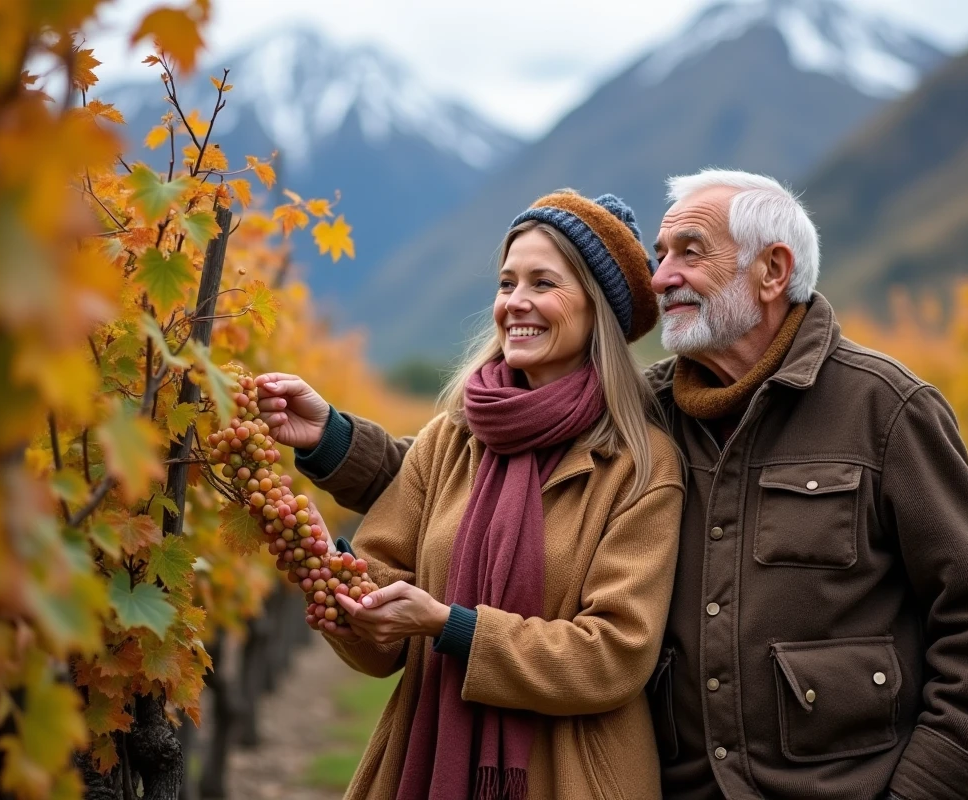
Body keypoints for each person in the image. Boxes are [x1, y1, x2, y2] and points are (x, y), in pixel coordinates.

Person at [268, 169, 968, 800]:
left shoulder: (882, 411)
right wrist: (334, 441)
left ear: (773, 271)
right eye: (660, 253)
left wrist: (927, 791)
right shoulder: (645, 409)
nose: (660, 275)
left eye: (688, 252)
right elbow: (461, 491)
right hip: (683, 784)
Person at [256, 191, 684, 800]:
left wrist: (452, 626)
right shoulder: (454, 437)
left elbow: (613, 655)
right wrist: (333, 581)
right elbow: (383, 636)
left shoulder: (641, 466)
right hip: (425, 764)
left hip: (571, 776)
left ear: (599, 310)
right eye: (507, 282)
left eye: (544, 283)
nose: (516, 303)